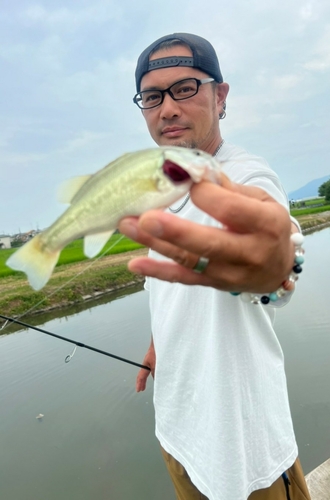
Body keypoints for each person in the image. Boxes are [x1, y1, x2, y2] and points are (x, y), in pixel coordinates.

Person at [119, 33, 311, 500]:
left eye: (185, 88)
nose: (167, 108)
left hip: (244, 457)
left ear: (220, 95)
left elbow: (275, 254)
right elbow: (174, 290)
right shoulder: (163, 191)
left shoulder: (241, 176)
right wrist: (157, 343)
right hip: (179, 436)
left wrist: (279, 268)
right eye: (152, 96)